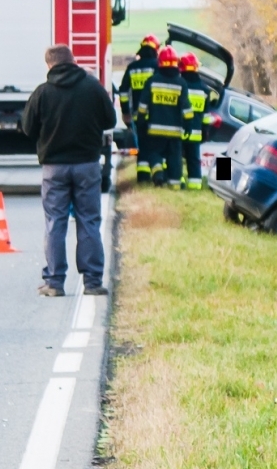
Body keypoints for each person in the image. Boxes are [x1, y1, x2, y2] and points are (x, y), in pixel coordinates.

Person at [21, 45, 116, 297]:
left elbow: (28, 128)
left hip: (54, 168)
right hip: (87, 165)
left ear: (49, 65)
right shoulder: (93, 87)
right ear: (74, 61)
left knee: (55, 223)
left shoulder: (42, 92)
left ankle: (54, 282)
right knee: (89, 221)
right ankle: (92, 282)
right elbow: (110, 120)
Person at [138, 45, 190, 187]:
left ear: (160, 63)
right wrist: (189, 125)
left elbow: (143, 106)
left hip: (155, 130)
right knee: (174, 158)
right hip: (175, 132)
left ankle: (158, 174)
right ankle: (175, 185)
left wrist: (141, 121)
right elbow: (186, 108)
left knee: (154, 153)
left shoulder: (152, 81)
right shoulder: (181, 83)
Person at [119, 35, 159, 184]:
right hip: (156, 115)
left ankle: (143, 178)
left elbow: (123, 92)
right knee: (157, 147)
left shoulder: (132, 68)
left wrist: (125, 112)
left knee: (142, 146)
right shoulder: (157, 66)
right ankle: (159, 176)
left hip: (138, 115)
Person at [178, 53, 217, 190]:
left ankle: (178, 182)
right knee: (193, 159)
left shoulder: (179, 85)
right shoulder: (204, 89)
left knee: (176, 157)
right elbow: (206, 115)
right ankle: (195, 185)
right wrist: (205, 131)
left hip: (179, 130)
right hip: (196, 132)